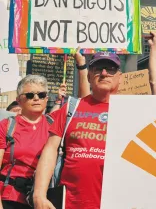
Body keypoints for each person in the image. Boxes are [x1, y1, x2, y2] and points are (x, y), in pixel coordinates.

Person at [32, 52, 122, 209]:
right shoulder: (71, 108)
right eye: (98, 68)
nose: (104, 73)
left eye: (110, 68)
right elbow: (51, 150)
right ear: (88, 76)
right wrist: (39, 194)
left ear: (120, 77)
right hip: (70, 203)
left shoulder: (131, 111)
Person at [0, 75, 50, 209]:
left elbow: (82, 104)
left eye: (41, 94)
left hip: (43, 200)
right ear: (19, 100)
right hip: (10, 198)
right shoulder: (6, 125)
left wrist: (81, 66)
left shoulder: (55, 125)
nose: (36, 98)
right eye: (29, 95)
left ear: (47, 98)